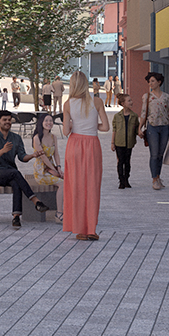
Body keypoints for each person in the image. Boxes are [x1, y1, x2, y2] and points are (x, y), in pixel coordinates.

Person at [0, 110, 50, 228]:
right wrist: (2, 151)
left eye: (9, 120)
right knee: (15, 173)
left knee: (16, 184)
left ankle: (16, 217)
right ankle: (36, 201)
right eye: (4, 120)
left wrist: (32, 155)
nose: (7, 122)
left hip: (11, 173)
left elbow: (22, 157)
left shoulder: (16, 138)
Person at [60, 71, 103, 240]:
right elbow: (105, 127)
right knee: (92, 186)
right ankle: (91, 229)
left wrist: (74, 125)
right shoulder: (97, 101)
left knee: (76, 186)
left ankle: (80, 229)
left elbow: (65, 131)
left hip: (75, 145)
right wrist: (92, 126)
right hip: (92, 144)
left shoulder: (68, 104)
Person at [138, 71, 169, 189]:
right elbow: (144, 113)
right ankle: (154, 179)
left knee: (160, 155)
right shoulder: (147, 97)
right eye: (149, 82)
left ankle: (158, 177)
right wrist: (140, 128)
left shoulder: (166, 96)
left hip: (164, 128)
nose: (150, 83)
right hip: (152, 128)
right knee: (154, 154)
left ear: (159, 82)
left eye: (153, 81)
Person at [111, 100, 139, 188]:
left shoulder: (134, 116)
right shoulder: (117, 116)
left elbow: (137, 128)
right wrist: (112, 142)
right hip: (119, 142)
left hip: (129, 142)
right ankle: (121, 181)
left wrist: (141, 133)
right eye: (129, 101)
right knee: (120, 161)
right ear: (123, 104)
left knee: (127, 162)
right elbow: (114, 130)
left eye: (131, 100)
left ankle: (126, 179)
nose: (131, 102)